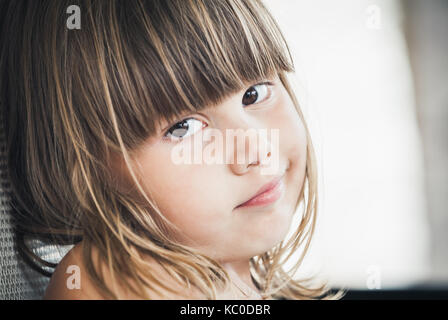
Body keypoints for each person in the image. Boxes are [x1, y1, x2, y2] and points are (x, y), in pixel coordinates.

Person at [0, 0, 340, 300]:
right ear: (86, 168)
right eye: (184, 128)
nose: (256, 149)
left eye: (254, 93)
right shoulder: (111, 278)